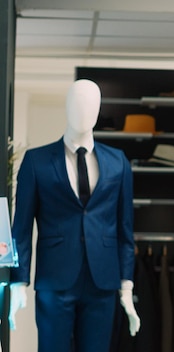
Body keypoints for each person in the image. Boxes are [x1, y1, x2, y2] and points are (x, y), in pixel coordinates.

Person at [9, 79, 140, 352]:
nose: (84, 111)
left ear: (99, 109)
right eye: (78, 103)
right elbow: (20, 227)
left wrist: (126, 286)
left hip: (102, 281)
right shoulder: (37, 162)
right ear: (66, 107)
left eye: (91, 105)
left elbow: (125, 230)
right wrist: (18, 281)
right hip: (54, 279)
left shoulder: (118, 162)